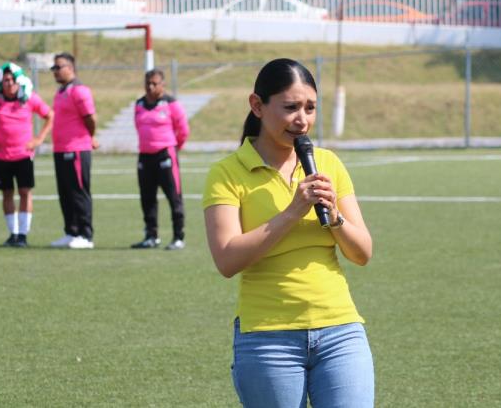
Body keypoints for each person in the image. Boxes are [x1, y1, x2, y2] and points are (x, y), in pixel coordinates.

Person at [202, 59, 375, 407]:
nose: (303, 119)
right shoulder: (226, 173)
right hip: (268, 337)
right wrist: (294, 211)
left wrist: (336, 217)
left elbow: (362, 253)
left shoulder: (328, 163)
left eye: (310, 108)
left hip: (340, 330)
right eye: (291, 107)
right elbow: (227, 259)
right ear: (257, 106)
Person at [0, 63, 54, 247]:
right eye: (6, 80)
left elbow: (50, 115)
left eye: (12, 80)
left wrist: (39, 139)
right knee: (7, 193)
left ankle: (23, 235)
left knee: (25, 192)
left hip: (23, 155)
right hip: (1, 157)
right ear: (1, 82)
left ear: (19, 81)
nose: (9, 83)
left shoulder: (29, 99)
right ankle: (12, 234)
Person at [131, 69, 190, 250]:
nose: (150, 87)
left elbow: (183, 131)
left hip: (165, 155)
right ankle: (151, 236)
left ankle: (178, 236)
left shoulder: (171, 104)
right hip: (145, 157)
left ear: (162, 85)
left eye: (154, 83)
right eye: (148, 83)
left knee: (174, 197)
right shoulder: (139, 104)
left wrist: (173, 148)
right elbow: (138, 127)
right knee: (147, 198)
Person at [49, 52, 98, 249]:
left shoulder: (80, 90)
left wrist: (89, 137)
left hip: (77, 150)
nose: (55, 71)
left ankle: (86, 235)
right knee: (65, 193)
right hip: (60, 150)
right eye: (53, 68)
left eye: (58, 67)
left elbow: (90, 119)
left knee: (79, 192)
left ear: (70, 68)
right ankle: (71, 231)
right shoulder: (61, 91)